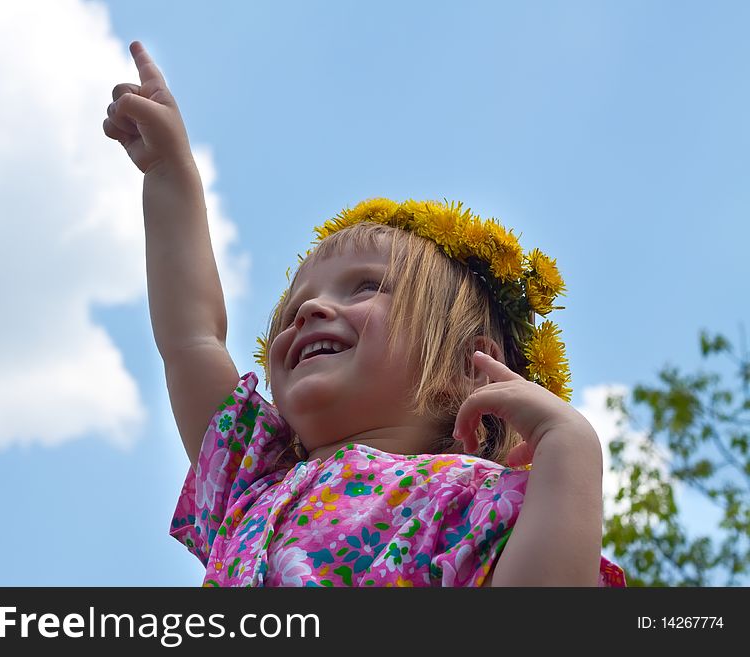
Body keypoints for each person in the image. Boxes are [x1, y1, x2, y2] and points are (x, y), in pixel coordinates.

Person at [103, 41, 626, 587]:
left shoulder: (486, 503)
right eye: (293, 307)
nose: (308, 308)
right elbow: (192, 340)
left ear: (472, 368)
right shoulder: (251, 481)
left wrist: (570, 447)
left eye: (366, 288)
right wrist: (168, 173)